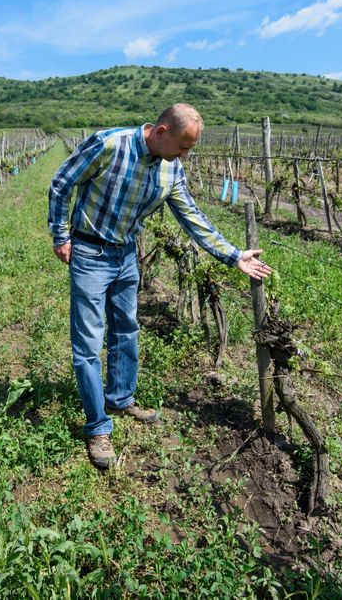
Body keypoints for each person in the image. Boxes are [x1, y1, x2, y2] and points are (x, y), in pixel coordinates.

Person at [48, 103, 273, 468]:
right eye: (184, 147)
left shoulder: (172, 169)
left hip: (126, 256)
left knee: (126, 330)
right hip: (88, 250)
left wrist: (233, 256)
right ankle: (97, 427)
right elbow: (61, 183)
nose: (186, 155)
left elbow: (192, 217)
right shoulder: (109, 145)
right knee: (88, 344)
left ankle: (120, 399)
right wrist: (60, 236)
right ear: (161, 132)